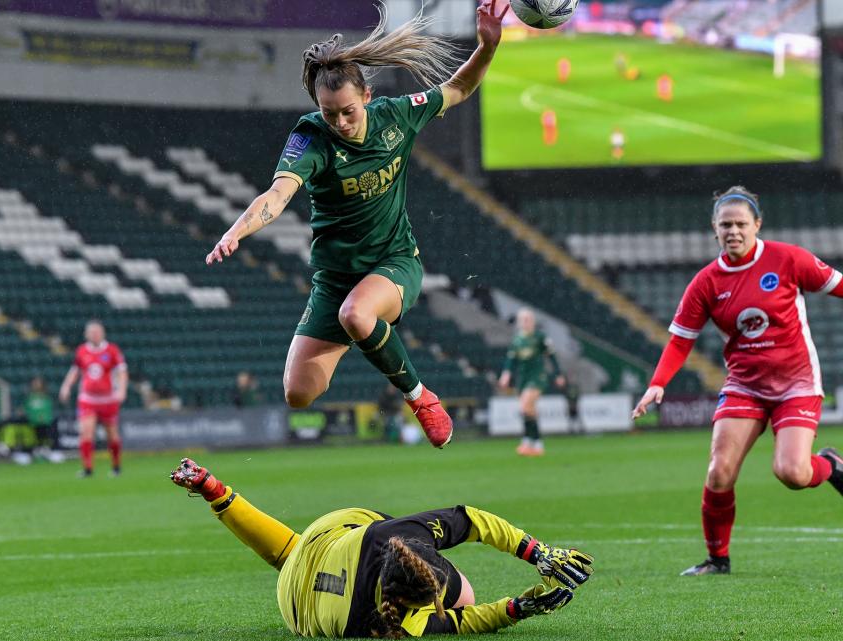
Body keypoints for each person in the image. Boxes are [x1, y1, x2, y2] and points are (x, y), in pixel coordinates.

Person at [204, 2, 510, 449]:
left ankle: (420, 397)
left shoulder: (397, 115)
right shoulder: (310, 137)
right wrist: (237, 231)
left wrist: (487, 47)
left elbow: (459, 88)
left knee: (357, 313)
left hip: (394, 262)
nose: (340, 122)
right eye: (330, 113)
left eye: (347, 110)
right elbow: (277, 195)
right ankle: (364, 334)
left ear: (366, 96)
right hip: (335, 278)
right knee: (299, 393)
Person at [632, 186, 843, 576]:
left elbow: (839, 285)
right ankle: (718, 559)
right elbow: (680, 340)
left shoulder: (788, 259)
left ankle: (829, 464)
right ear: (714, 229)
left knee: (793, 474)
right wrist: (658, 382)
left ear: (757, 225)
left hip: (796, 384)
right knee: (719, 472)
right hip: (745, 385)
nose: (734, 231)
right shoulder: (707, 282)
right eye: (725, 224)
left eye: (741, 224)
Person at [169, 458, 594, 638]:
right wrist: (527, 585)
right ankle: (217, 491)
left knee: (460, 594)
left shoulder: (388, 537)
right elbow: (463, 617)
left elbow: (469, 520)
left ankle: (217, 491)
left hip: (327, 543)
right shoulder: (401, 628)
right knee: (464, 595)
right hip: (294, 601)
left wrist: (536, 559)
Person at [59, 320, 128, 477]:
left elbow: (122, 372)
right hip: (88, 399)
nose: (94, 335)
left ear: (102, 333)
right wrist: (66, 386)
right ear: (86, 334)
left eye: (97, 332)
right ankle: (87, 468)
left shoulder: (112, 350)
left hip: (108, 399)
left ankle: (116, 466)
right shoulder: (82, 351)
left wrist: (122, 390)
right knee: (86, 433)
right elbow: (75, 371)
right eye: (91, 332)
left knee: (112, 435)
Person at [498, 308, 565, 456]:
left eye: (528, 319)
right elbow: (511, 360)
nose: (525, 322)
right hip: (523, 378)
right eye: (522, 320)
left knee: (525, 406)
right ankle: (534, 443)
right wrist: (506, 374)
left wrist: (558, 374)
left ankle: (530, 441)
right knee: (529, 410)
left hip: (537, 376)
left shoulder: (540, 337)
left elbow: (551, 356)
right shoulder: (517, 340)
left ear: (533, 321)